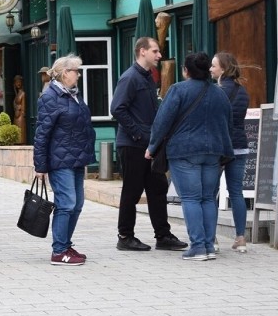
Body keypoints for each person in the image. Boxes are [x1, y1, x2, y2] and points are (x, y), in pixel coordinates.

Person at [147, 52, 233, 261]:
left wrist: (152, 146)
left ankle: (197, 247)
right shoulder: (219, 93)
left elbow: (162, 121)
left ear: (186, 70)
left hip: (184, 151)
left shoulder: (178, 90)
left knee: (191, 198)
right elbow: (227, 122)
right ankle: (209, 245)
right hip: (213, 151)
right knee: (207, 199)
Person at [111, 37, 188, 252]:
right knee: (132, 191)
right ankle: (125, 236)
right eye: (155, 51)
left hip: (149, 144)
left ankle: (162, 235)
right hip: (133, 145)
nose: (159, 55)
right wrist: (137, 134)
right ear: (142, 51)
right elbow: (117, 108)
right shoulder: (130, 78)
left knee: (157, 188)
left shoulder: (147, 77)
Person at [34, 55, 96, 265]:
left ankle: (66, 244)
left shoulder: (73, 95)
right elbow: (42, 133)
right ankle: (59, 251)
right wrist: (40, 166)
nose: (78, 74)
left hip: (77, 158)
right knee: (66, 203)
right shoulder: (50, 97)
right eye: (75, 71)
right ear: (63, 73)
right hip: (60, 160)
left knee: (77, 204)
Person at [210, 51, 251, 253]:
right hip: (240, 144)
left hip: (220, 146)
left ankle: (212, 238)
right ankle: (241, 238)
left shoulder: (216, 91)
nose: (210, 69)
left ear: (223, 69)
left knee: (211, 193)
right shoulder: (243, 91)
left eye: (214, 65)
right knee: (237, 192)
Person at [13, 75, 26, 144]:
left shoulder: (22, 94)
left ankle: (21, 141)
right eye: (16, 82)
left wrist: (22, 112)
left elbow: (23, 107)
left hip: (20, 116)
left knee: (21, 131)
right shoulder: (17, 94)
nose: (18, 84)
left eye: (19, 82)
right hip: (16, 115)